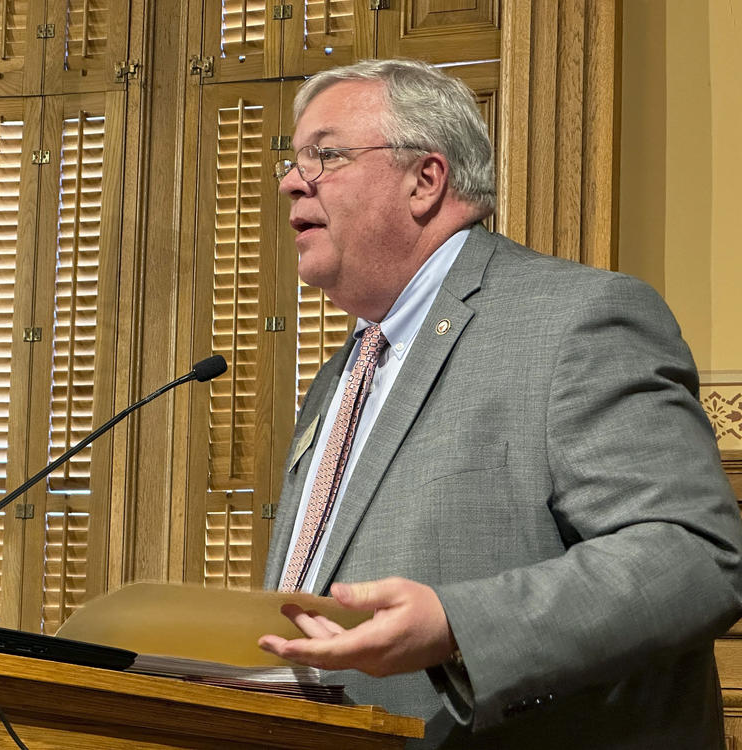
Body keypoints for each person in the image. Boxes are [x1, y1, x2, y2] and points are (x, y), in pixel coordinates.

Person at [256, 58, 742, 749]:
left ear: (425, 179)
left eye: (324, 155)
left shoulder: (577, 319)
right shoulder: (338, 375)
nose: (289, 181)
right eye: (294, 158)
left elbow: (694, 557)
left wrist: (460, 626)